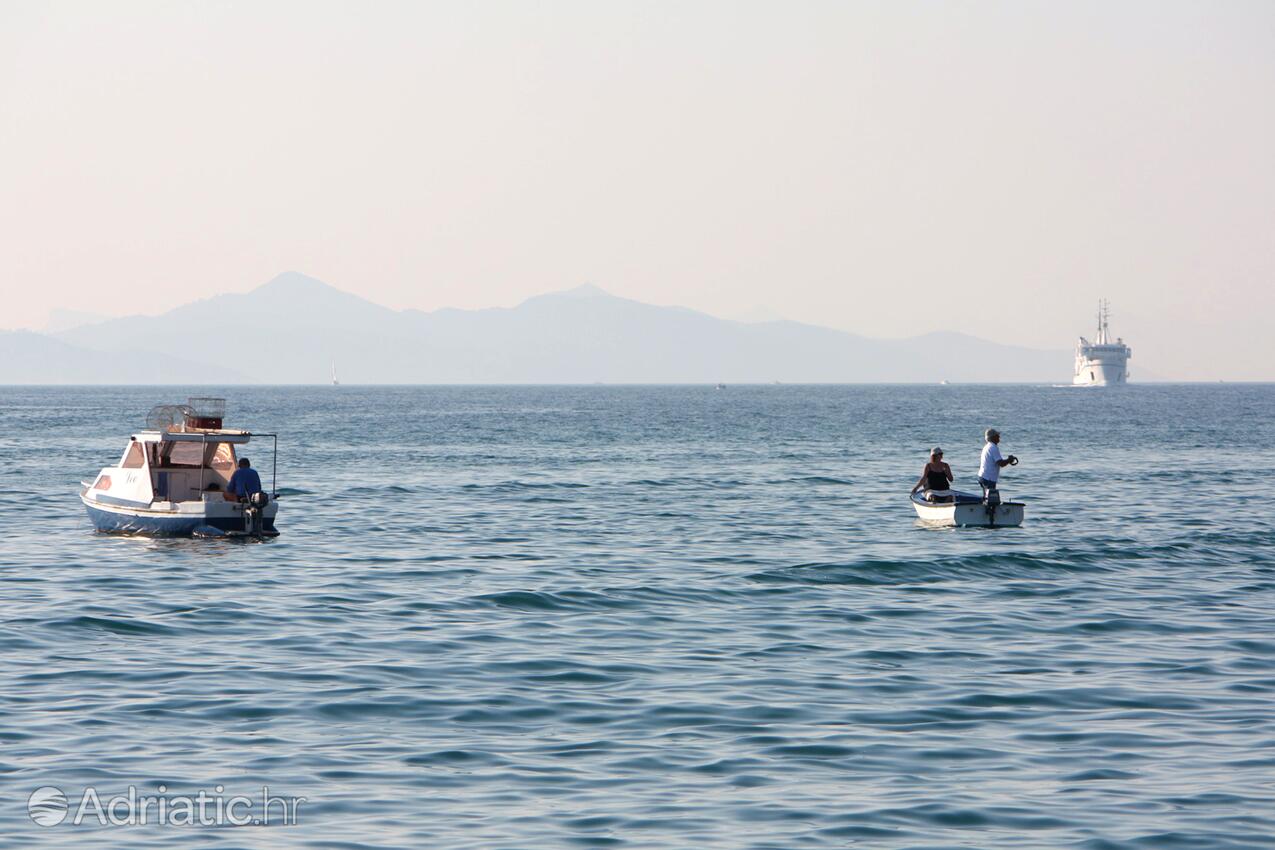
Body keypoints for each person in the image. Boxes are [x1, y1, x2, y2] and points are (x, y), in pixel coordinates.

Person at [978, 428, 1017, 499]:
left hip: (983, 476)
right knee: (991, 500)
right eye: (997, 435)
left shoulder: (987, 447)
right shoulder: (993, 447)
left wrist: (1008, 460)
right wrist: (1009, 460)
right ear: (993, 437)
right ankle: (989, 510)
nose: (999, 437)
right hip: (988, 478)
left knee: (987, 499)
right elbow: (1001, 463)